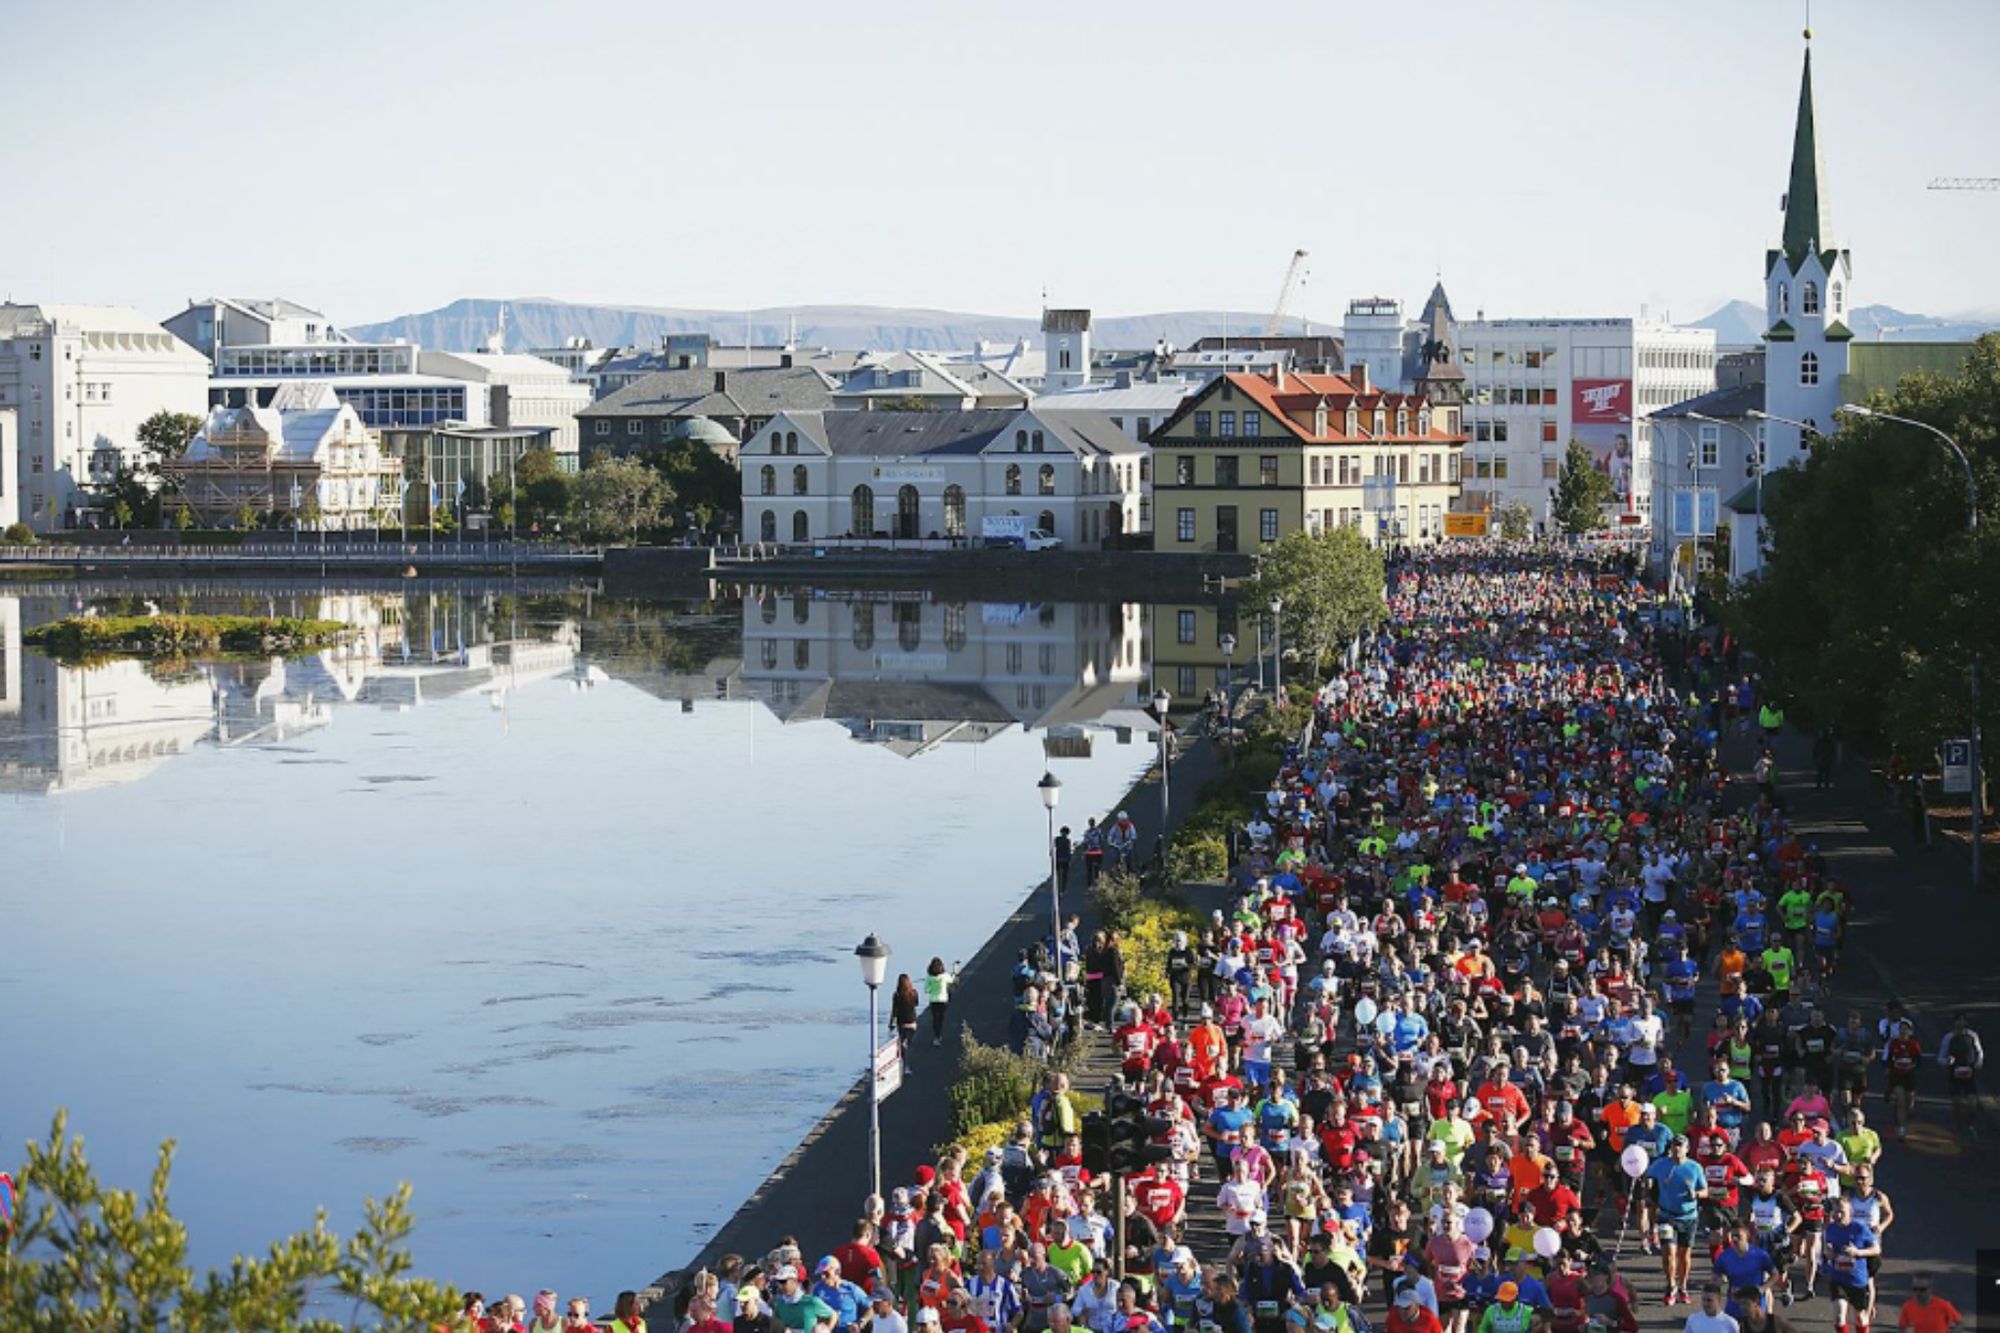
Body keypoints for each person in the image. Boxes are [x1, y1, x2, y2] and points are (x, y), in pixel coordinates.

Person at [1648, 1134, 1709, 1306]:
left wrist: (1695, 1194)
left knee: (1684, 1254)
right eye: (1674, 1145)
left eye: (1680, 1146)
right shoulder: (1661, 1165)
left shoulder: (1695, 1168)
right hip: (1666, 1215)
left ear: (1687, 1149)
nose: (1677, 1149)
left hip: (1688, 1217)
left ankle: (1683, 1287)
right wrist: (1647, 1184)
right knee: (1669, 1252)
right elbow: (1647, 1175)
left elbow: (1705, 1191)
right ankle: (1671, 1286)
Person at [1896, 1274, 1961, 1333]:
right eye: (1915, 1289)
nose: (1918, 1292)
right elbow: (1902, 1326)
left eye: (1922, 1289)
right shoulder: (1908, 1306)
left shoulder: (1943, 1305)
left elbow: (1959, 1323)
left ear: (1930, 1289)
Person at [925, 959, 958, 1048]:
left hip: (933, 1000)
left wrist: (933, 988)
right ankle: (938, 1036)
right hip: (943, 1000)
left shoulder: (929, 977)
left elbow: (927, 990)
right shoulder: (944, 976)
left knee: (935, 1019)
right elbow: (952, 980)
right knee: (940, 1018)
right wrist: (954, 972)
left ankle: (936, 1037)